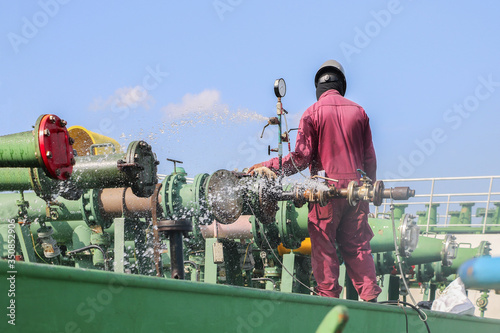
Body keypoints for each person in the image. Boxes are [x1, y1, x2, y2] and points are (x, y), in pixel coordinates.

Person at [247, 60, 381, 301]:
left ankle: (328, 301)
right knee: (358, 247)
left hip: (324, 192)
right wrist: (368, 192)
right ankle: (373, 300)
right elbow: (369, 159)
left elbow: (300, 158)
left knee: (324, 246)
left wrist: (267, 167)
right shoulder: (359, 112)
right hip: (356, 191)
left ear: (318, 86)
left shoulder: (313, 112)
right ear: (342, 85)